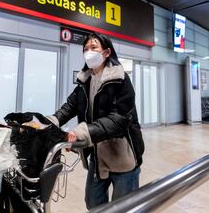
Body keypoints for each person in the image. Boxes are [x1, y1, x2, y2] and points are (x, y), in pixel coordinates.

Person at [47, 33, 144, 209]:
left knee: (123, 207)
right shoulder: (85, 80)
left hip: (123, 157)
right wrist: (50, 122)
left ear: (106, 52)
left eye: (94, 48)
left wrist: (79, 133)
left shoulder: (120, 80)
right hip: (97, 157)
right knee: (93, 203)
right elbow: (70, 106)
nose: (88, 52)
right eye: (85, 49)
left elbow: (118, 120)